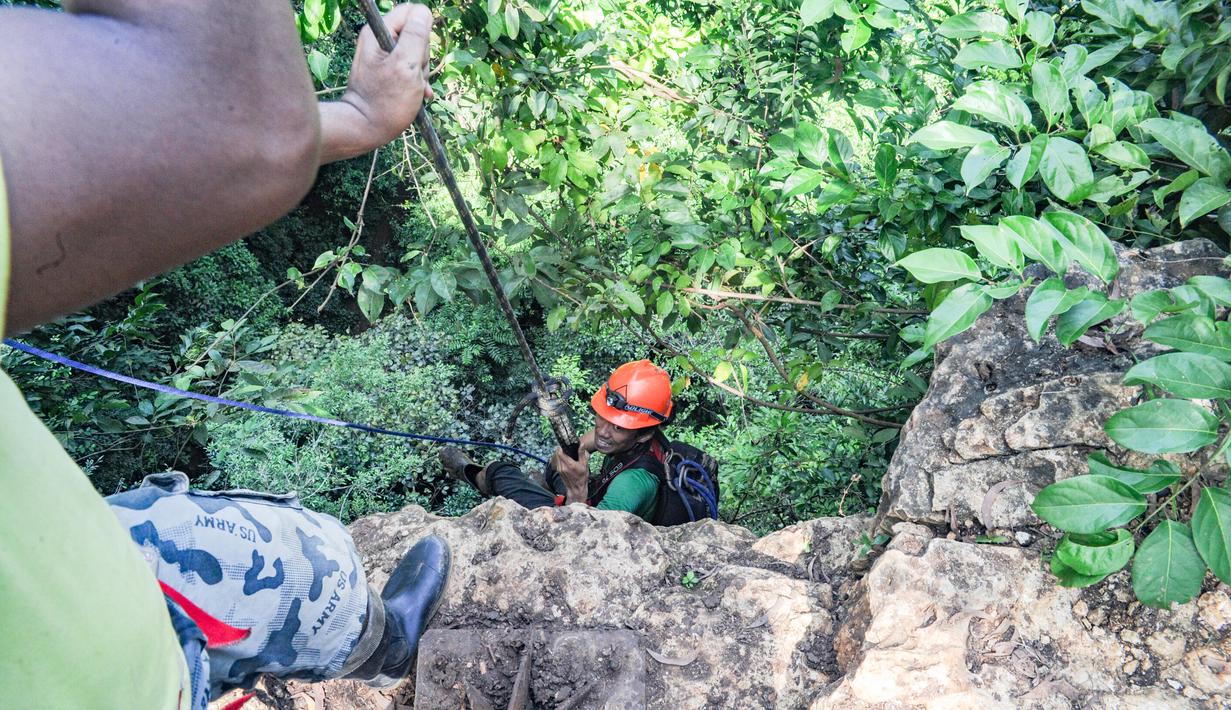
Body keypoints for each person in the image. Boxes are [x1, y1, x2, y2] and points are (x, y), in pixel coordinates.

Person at [0, 2, 449, 708]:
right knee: (308, 561)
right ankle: (382, 646)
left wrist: (358, 121)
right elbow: (235, 126)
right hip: (92, 671)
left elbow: (145, 146)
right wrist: (362, 114)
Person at [442, 359, 717, 524]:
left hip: (586, 515)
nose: (604, 432)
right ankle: (544, 485)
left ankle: (473, 473)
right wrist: (578, 451)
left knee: (502, 474)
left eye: (618, 427)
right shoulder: (639, 438)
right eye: (602, 417)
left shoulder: (631, 485)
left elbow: (581, 534)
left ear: (643, 433)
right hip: (593, 499)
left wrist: (576, 489)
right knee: (557, 464)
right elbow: (588, 443)